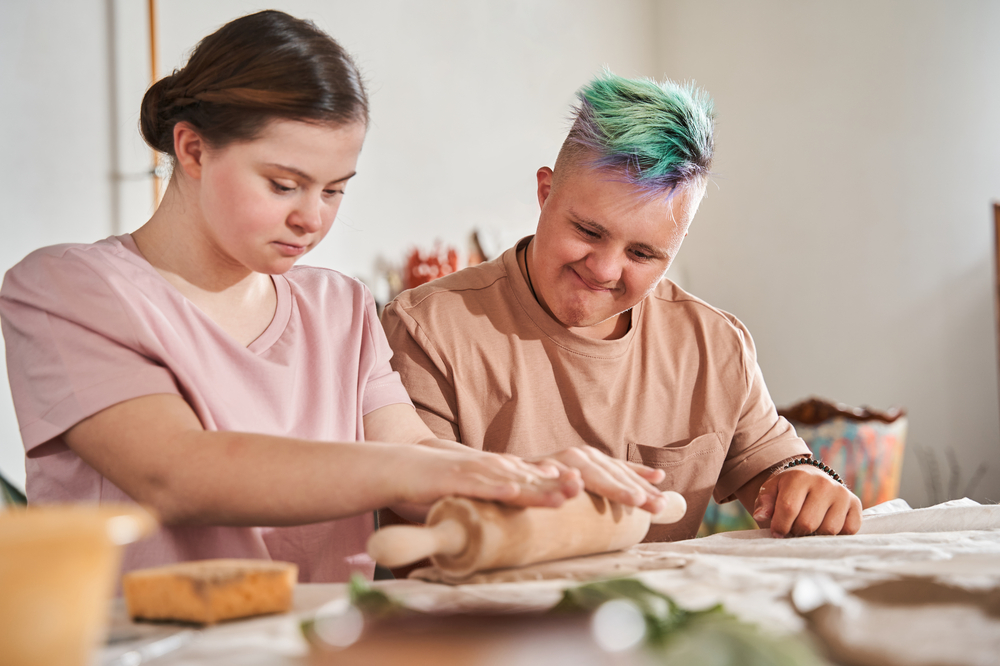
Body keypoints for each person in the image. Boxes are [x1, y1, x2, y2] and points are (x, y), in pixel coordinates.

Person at [0, 11, 676, 582]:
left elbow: (411, 447)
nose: (312, 218)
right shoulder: (68, 290)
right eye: (284, 184)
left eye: (334, 190)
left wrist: (528, 476)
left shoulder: (339, 307)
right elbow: (175, 474)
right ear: (194, 150)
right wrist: (454, 473)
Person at [382, 72, 863, 541]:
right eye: (588, 231)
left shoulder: (715, 344)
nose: (605, 270)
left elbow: (778, 466)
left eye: (643, 253)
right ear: (545, 193)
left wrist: (806, 482)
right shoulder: (427, 329)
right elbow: (421, 527)